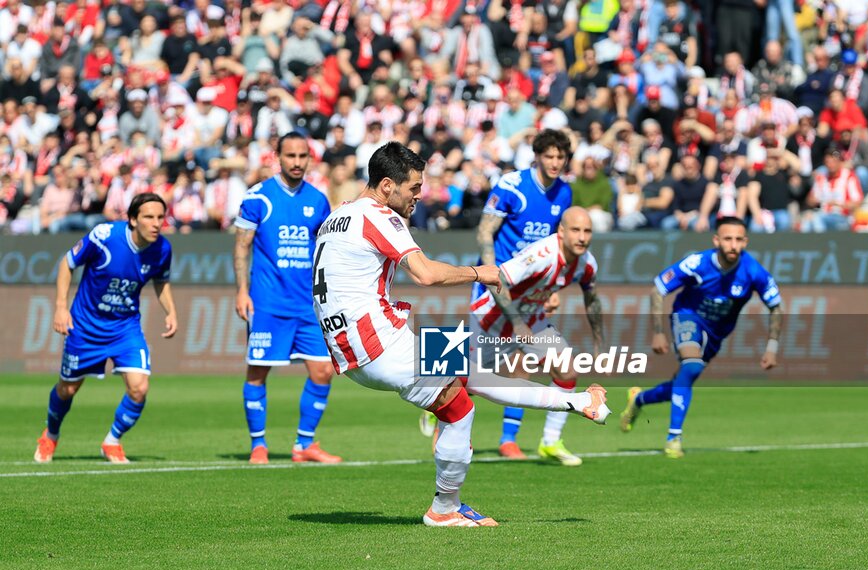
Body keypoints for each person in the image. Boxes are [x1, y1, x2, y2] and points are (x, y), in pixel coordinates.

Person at [313, 142, 609, 526]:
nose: (420, 195)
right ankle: (445, 509)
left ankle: (578, 401)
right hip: (378, 342)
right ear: (387, 186)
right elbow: (427, 274)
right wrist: (480, 272)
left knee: (470, 371)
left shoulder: (338, 216)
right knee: (460, 408)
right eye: (414, 187)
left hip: (355, 342)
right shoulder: (379, 217)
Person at [620, 217, 783, 457]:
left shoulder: (753, 271)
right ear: (716, 240)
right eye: (727, 239)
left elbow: (775, 306)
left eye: (739, 239)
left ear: (745, 242)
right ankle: (673, 437)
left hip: (716, 333)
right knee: (692, 365)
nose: (733, 245)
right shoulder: (697, 263)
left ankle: (639, 399)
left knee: (683, 381)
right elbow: (659, 289)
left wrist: (772, 347)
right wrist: (657, 333)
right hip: (687, 316)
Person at [33, 194, 178, 464]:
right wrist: (61, 307)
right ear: (133, 220)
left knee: (139, 388)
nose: (156, 223)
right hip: (86, 326)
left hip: (125, 328)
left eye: (160, 217)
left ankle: (112, 441)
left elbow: (161, 281)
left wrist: (170, 311)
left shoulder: (163, 249)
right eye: (148, 217)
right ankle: (50, 435)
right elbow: (67, 263)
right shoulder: (105, 236)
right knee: (68, 390)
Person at [467, 206, 605, 465]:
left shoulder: (587, 263)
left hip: (532, 319)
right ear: (561, 231)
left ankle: (550, 442)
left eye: (587, 231)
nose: (582, 237)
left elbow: (592, 299)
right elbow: (498, 280)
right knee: (462, 382)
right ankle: (440, 418)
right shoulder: (542, 254)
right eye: (575, 230)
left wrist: (600, 341)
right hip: (491, 319)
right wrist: (517, 323)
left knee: (567, 368)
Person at [233, 132, 340, 465]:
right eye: (290, 156)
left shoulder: (319, 200)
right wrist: (241, 290)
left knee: (323, 371)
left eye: (302, 156)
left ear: (309, 158)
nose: (296, 162)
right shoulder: (257, 198)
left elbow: (326, 251)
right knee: (258, 373)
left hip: (308, 305)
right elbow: (241, 246)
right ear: (277, 157)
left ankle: (304, 445)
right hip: (268, 303)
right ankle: (258, 445)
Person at [472, 128, 573, 460]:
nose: (555, 162)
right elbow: (485, 231)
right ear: (537, 156)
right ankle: (437, 398)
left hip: (531, 288)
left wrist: (551, 288)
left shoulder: (565, 194)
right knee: (473, 363)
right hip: (497, 282)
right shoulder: (511, 186)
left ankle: (510, 439)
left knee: (525, 359)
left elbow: (556, 247)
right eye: (550, 156)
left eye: (561, 157)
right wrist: (490, 275)